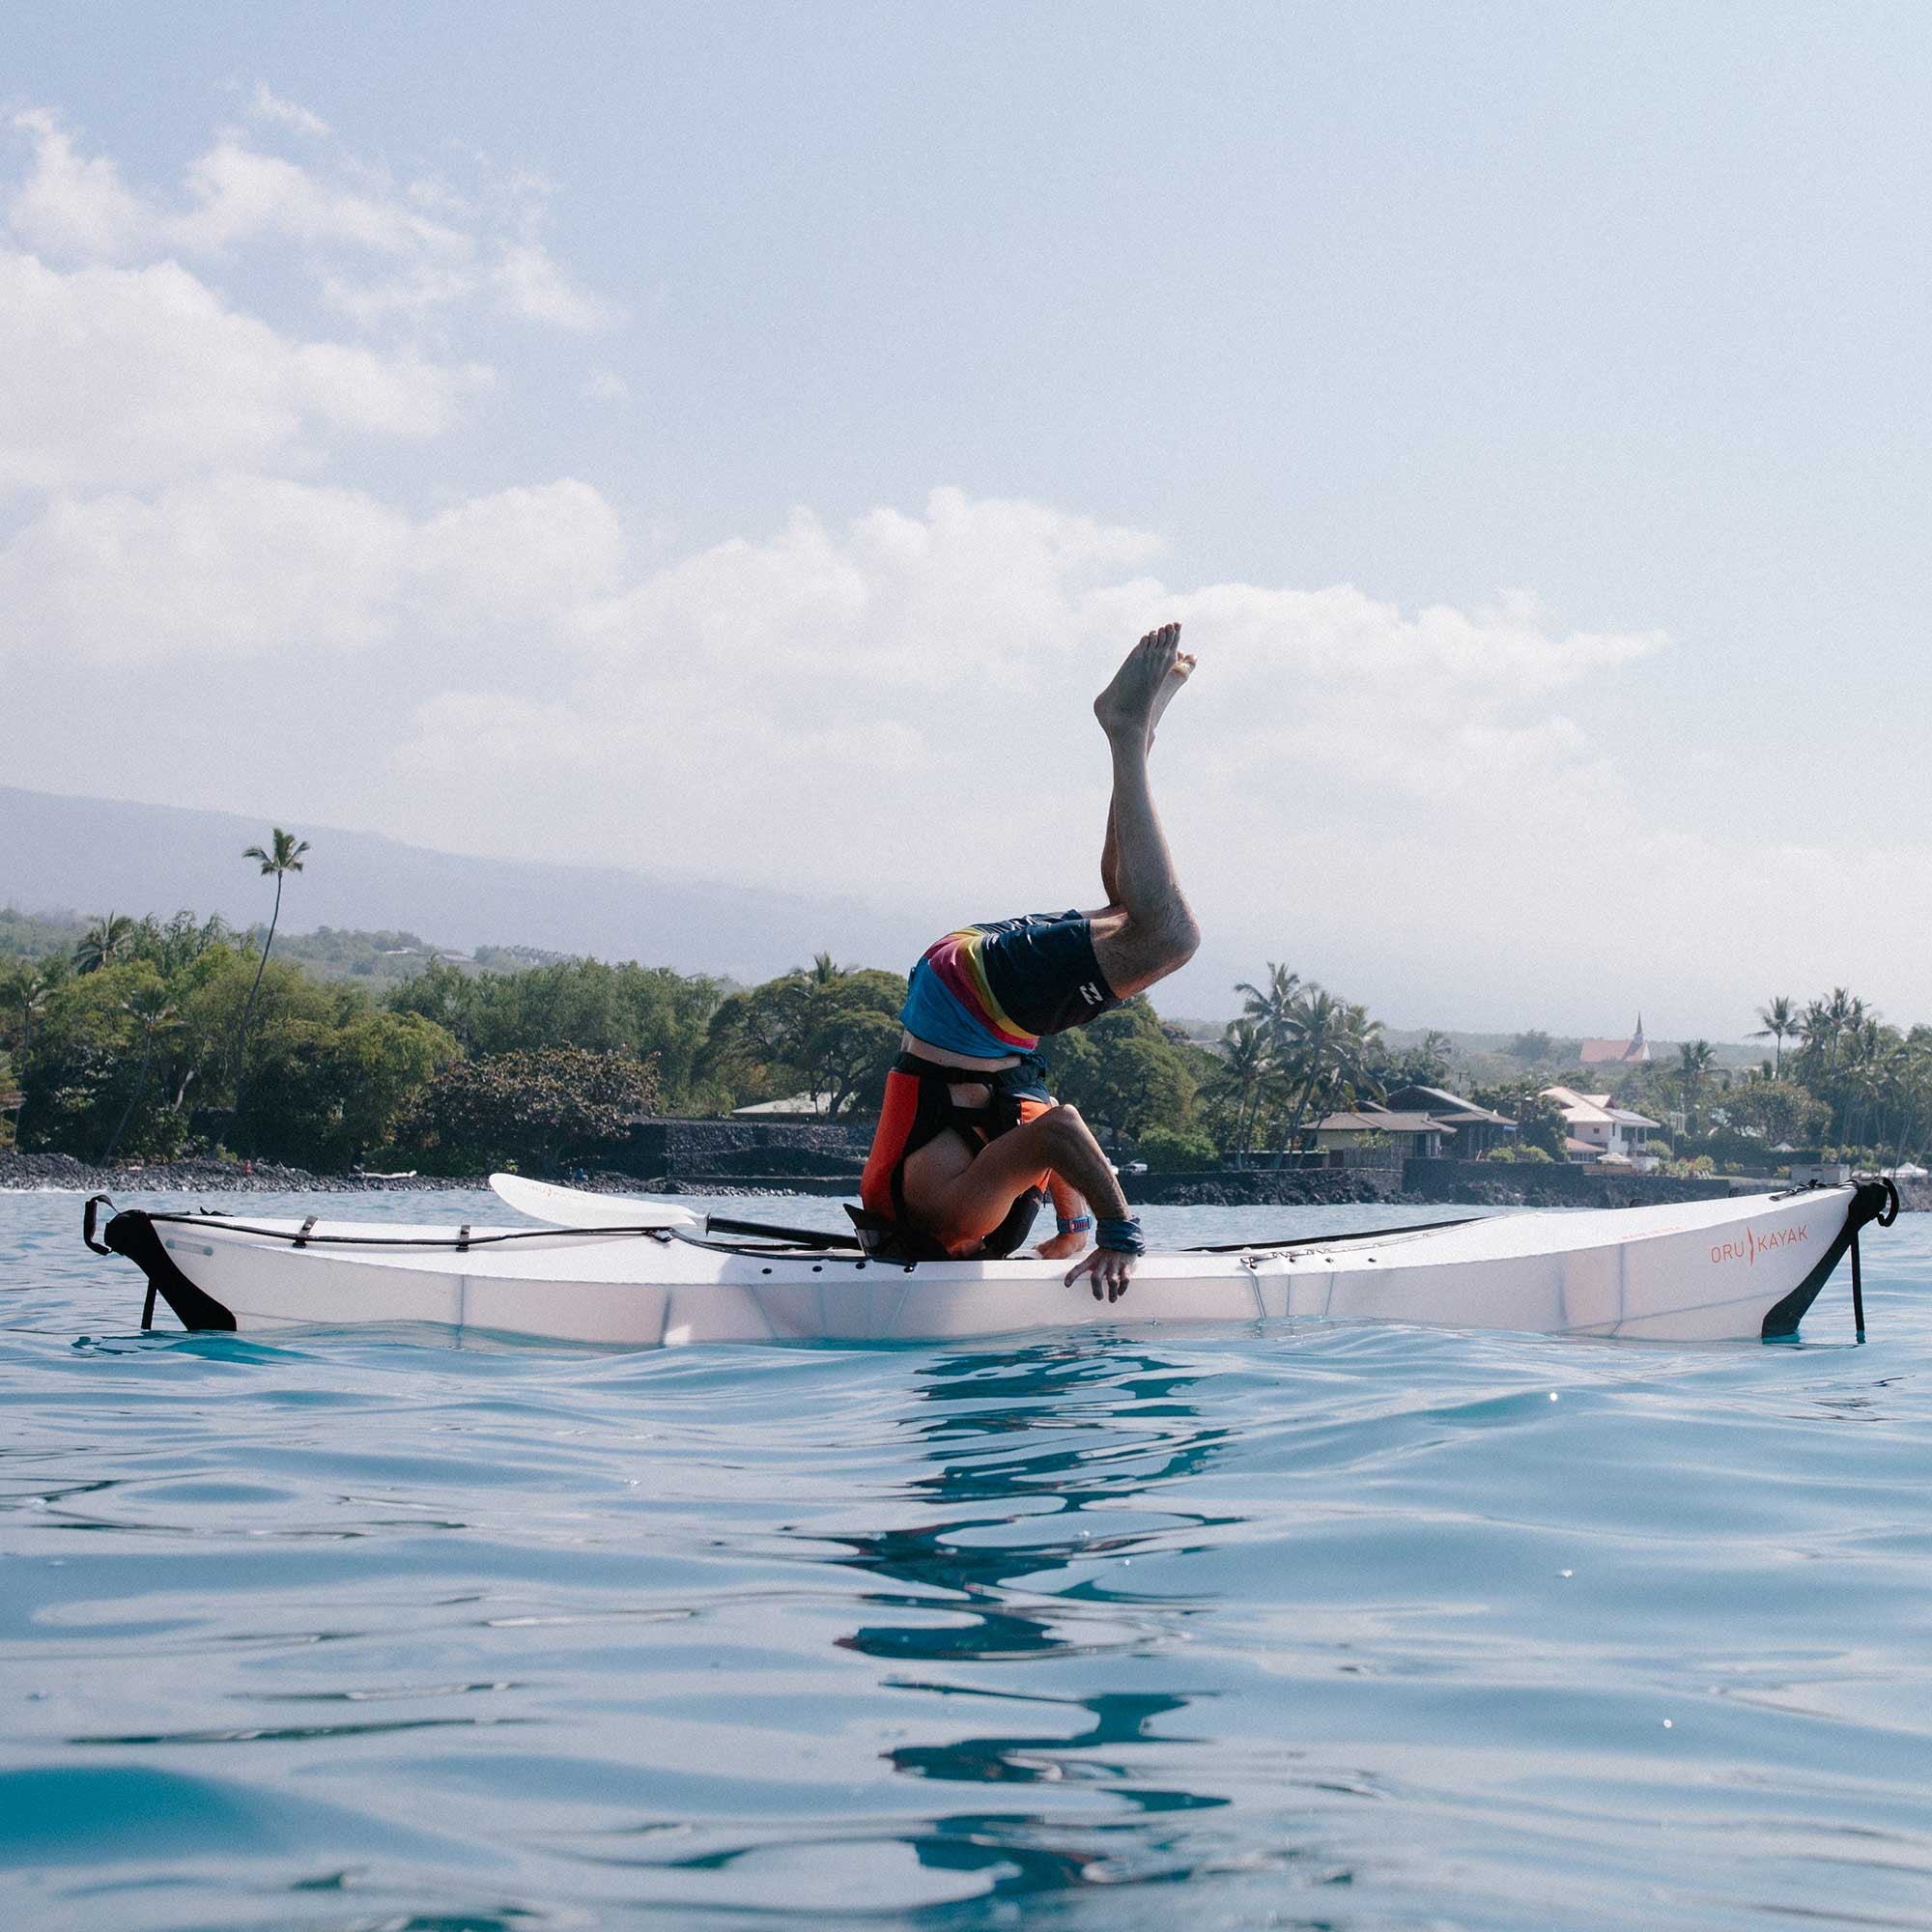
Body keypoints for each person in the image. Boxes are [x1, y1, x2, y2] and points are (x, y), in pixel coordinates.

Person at [858, 623, 1201, 1301]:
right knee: (1138, 912)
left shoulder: (954, 1219)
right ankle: (1139, 735)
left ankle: (1125, 730)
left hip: (968, 1003)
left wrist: (1118, 1234)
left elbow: (1059, 1133)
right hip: (964, 1000)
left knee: (1170, 936)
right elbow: (1041, 1120)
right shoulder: (948, 1201)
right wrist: (1073, 1227)